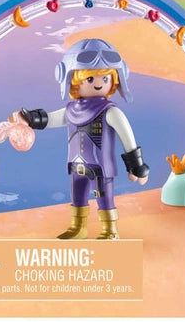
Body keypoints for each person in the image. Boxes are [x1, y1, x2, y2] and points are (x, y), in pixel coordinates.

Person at [10, 38, 150, 240]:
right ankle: (78, 228)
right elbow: (50, 119)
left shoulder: (110, 111)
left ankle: (110, 230)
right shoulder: (71, 110)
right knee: (77, 198)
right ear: (72, 79)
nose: (99, 84)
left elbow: (127, 136)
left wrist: (136, 165)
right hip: (76, 165)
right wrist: (30, 118)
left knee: (104, 199)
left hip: (101, 168)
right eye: (90, 79)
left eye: (105, 78)